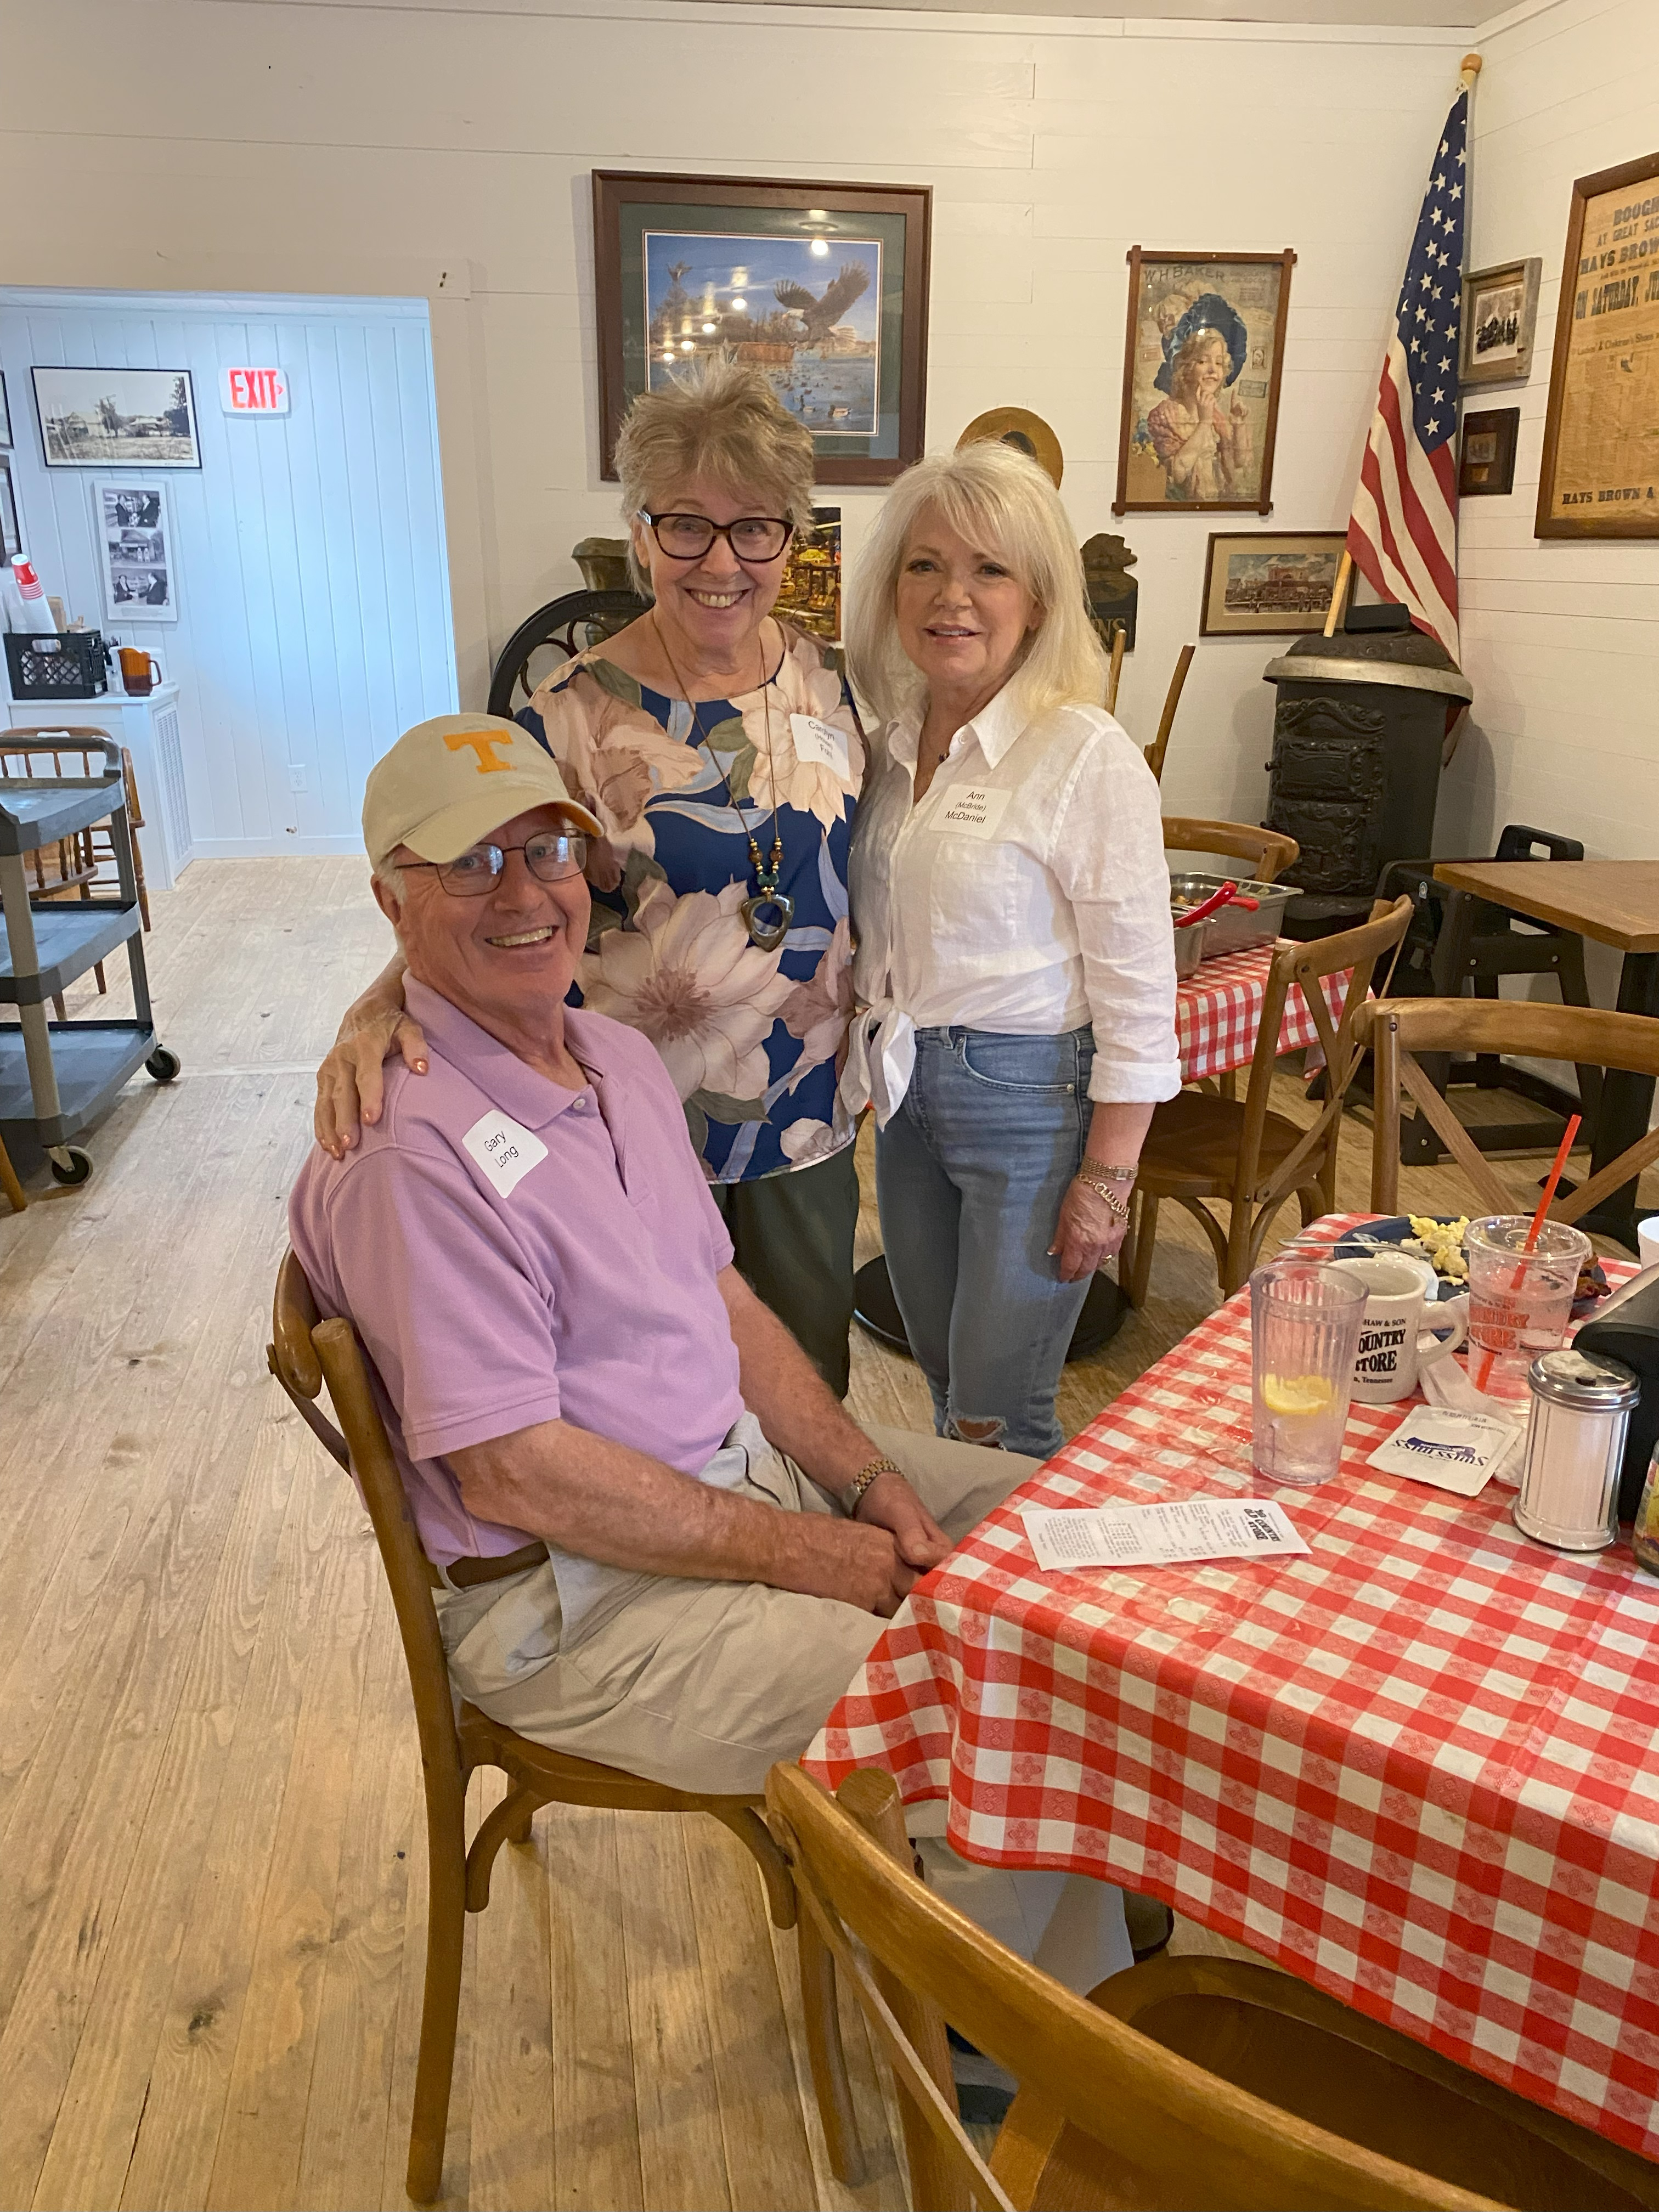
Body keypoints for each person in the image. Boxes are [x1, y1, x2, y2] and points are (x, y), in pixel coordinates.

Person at [289, 712, 1132, 2006]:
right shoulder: (412, 1158)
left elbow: (722, 1298)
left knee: (1075, 1540)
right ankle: (1008, 2065)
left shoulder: (616, 1054)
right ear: (390, 899)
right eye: (471, 864)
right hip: (577, 1603)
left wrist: (860, 1479)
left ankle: (1056, 1930)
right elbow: (517, 1476)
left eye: (549, 851)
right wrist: (816, 1558)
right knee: (1002, 1709)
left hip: (728, 1488)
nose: (525, 894)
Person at [312, 358, 864, 1392]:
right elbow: (479, 901)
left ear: (791, 540)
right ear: (639, 532)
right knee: (661, 1395)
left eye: (755, 527)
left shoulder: (829, 681)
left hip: (805, 1115)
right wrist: (373, 1008)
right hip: (626, 1127)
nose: (720, 560)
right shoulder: (566, 716)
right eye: (684, 525)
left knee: (805, 1384)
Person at [842, 440, 1180, 1462]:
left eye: (988, 569)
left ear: (1035, 599)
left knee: (999, 1408)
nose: (953, 596)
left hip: (1029, 1107)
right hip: (905, 1103)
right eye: (924, 565)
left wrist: (1108, 1179)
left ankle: (1013, 1615)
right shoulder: (889, 743)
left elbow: (1137, 989)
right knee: (944, 1378)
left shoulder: (1083, 753)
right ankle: (959, 1601)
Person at [1145, 293, 1252, 503]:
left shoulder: (1218, 417)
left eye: (1219, 363)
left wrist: (1238, 425)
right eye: (1203, 361)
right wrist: (1203, 423)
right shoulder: (1167, 414)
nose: (1213, 370)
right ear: (1186, 368)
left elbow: (1241, 463)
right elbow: (1177, 474)